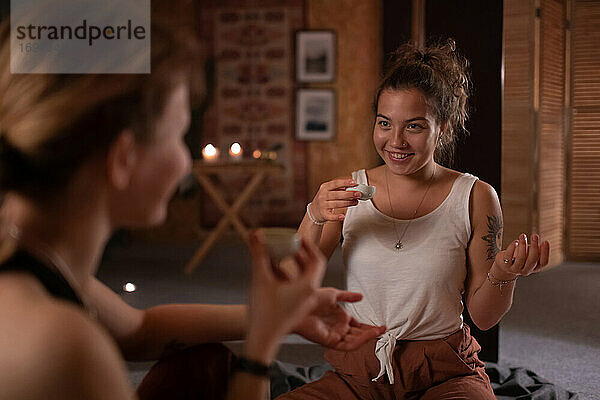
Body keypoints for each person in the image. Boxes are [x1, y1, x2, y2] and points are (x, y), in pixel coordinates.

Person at [0, 6, 385, 400]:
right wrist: (258, 352)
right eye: (179, 135)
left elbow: (140, 331)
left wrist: (279, 316)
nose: (185, 161)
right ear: (123, 158)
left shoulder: (34, 263)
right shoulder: (66, 349)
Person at [280, 40, 551, 399]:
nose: (395, 141)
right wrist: (313, 214)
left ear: (444, 127)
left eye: (414, 126)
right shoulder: (350, 192)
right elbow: (289, 285)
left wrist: (503, 274)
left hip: (445, 372)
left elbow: (483, 318)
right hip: (359, 373)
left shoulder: (475, 196)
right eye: (384, 123)